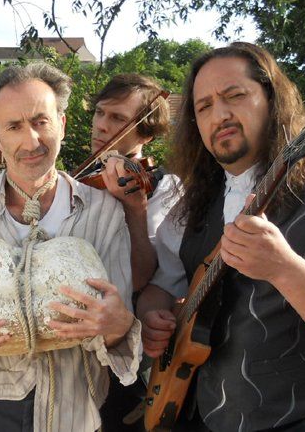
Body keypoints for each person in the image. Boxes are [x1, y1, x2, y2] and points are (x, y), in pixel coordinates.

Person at [137, 42, 305, 430]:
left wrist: (284, 268)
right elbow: (162, 286)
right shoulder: (190, 207)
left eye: (235, 96)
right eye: (204, 106)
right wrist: (151, 316)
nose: (219, 114)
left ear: (272, 101)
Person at [0, 63, 142, 432]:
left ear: (62, 124)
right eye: (14, 126)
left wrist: (119, 327)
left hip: (76, 412)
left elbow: (119, 322)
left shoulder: (104, 211)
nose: (31, 141)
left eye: (41, 122)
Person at [87, 74, 178, 431]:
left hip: (130, 350)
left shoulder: (165, 189)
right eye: (99, 113)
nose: (101, 126)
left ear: (146, 134)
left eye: (118, 118)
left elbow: (141, 278)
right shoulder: (80, 182)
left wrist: (135, 209)